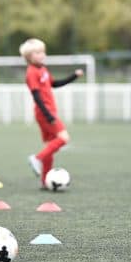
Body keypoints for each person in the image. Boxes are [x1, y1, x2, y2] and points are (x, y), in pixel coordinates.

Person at [19, 38, 84, 188]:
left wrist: (74, 76)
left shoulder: (43, 69)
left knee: (50, 146)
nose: (42, 54)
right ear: (29, 56)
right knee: (64, 138)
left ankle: (44, 181)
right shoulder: (31, 72)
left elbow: (54, 84)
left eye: (43, 51)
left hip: (47, 112)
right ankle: (37, 158)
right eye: (38, 52)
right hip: (45, 113)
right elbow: (36, 96)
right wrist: (48, 114)